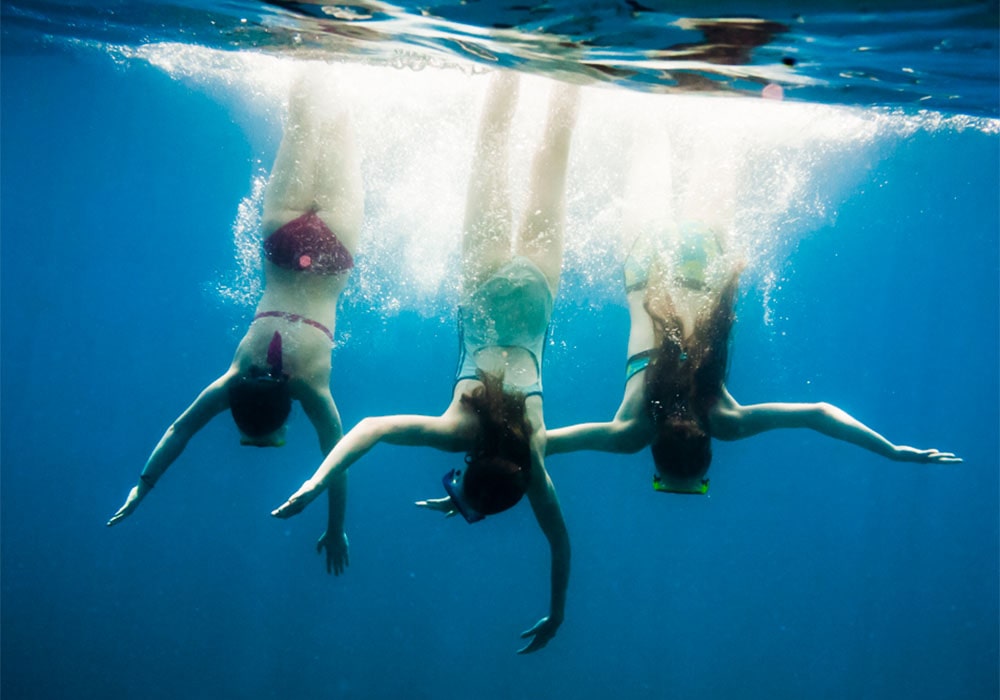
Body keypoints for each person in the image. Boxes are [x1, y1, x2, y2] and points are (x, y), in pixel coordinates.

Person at [271, 72, 580, 654]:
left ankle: (567, 64)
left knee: (551, 157)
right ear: (469, 465)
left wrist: (557, 615)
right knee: (492, 144)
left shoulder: (535, 457)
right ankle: (508, 59)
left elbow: (560, 544)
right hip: (484, 280)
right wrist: (317, 481)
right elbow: (371, 428)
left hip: (538, 289)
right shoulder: (456, 431)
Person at [546, 128, 961, 494]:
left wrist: (891, 450)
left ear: (708, 452)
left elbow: (818, 414)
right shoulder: (628, 433)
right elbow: (539, 443)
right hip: (646, 269)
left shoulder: (727, 421)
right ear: (655, 455)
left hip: (705, 266)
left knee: (716, 136)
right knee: (648, 137)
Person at [107, 72, 364, 576]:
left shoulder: (311, 388)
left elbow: (338, 459)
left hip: (334, 251)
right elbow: (180, 429)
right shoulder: (236, 376)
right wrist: (142, 485)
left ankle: (337, 54)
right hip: (279, 237)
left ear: (286, 412)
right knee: (301, 113)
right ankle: (306, 51)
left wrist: (336, 527)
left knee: (342, 127)